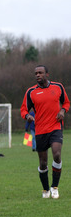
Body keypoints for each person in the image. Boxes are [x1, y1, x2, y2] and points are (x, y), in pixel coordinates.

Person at [20, 65, 70, 199]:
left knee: (57, 154)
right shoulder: (31, 92)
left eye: (40, 73)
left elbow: (66, 103)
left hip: (55, 127)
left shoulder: (58, 87)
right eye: (36, 73)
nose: (37, 75)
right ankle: (45, 189)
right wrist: (27, 116)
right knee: (43, 162)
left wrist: (62, 111)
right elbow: (23, 109)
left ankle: (55, 188)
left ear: (47, 74)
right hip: (40, 130)